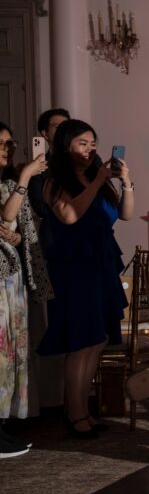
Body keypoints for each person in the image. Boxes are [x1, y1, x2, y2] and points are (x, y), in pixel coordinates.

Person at [38, 119, 133, 438]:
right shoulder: (53, 181)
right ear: (66, 146)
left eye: (93, 143)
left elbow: (125, 214)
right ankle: (75, 412)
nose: (90, 149)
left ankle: (79, 408)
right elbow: (69, 215)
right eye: (82, 143)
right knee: (81, 339)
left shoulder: (97, 177)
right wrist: (98, 180)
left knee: (99, 337)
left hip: (101, 261)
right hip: (73, 265)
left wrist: (126, 182)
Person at [0, 123, 49, 457]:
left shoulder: (6, 182)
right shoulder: (14, 182)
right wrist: (25, 178)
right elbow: (6, 216)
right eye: (0, 143)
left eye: (8, 142)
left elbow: (14, 226)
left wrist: (15, 239)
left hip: (11, 279)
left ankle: (3, 426)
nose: (7, 147)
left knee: (12, 354)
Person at [27, 108, 69, 219]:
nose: (64, 130)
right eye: (58, 127)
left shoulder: (85, 160)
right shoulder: (38, 168)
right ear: (45, 134)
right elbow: (40, 207)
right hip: (55, 231)